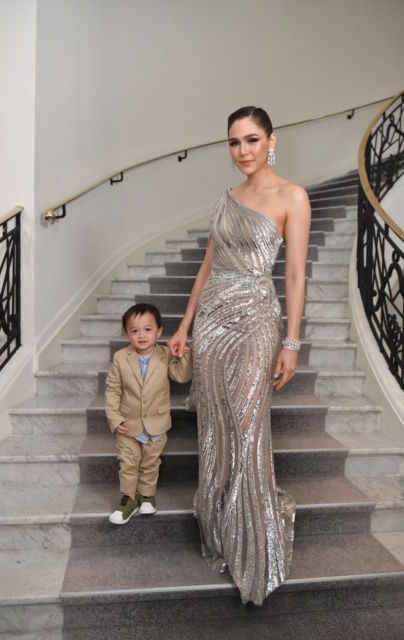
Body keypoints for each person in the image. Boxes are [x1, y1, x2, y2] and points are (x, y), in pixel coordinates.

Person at [168, 106, 311, 605]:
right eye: (234, 142)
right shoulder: (227, 199)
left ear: (272, 140)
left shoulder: (292, 196)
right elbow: (207, 267)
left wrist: (291, 342)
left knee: (248, 426)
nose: (243, 150)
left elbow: (295, 275)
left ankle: (254, 540)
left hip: (255, 324)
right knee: (216, 427)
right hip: (211, 323)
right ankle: (220, 523)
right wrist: (185, 326)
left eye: (252, 139)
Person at [105, 303, 192, 525]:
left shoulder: (165, 354)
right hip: (128, 423)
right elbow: (113, 389)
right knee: (128, 462)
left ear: (159, 331)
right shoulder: (120, 358)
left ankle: (146, 495)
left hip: (156, 422)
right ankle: (128, 498)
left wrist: (183, 356)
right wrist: (114, 418)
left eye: (147, 329)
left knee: (151, 462)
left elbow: (181, 376)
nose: (141, 335)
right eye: (134, 331)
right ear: (127, 334)